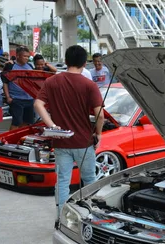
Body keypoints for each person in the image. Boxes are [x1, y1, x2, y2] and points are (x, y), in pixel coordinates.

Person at [34, 45, 104, 221]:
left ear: (65, 61)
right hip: (84, 143)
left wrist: (52, 125)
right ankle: (91, 217)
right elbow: (100, 115)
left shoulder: (51, 82)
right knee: (89, 180)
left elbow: (38, 104)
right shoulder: (89, 85)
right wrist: (99, 134)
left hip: (61, 142)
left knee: (63, 181)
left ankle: (61, 218)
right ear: (84, 63)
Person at [2, 46, 35, 131]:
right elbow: (5, 82)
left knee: (27, 122)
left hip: (29, 99)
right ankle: (11, 141)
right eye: (24, 56)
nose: (26, 58)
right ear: (18, 56)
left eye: (28, 56)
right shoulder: (10, 66)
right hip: (16, 99)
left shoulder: (30, 66)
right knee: (16, 122)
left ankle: (21, 139)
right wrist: (8, 97)